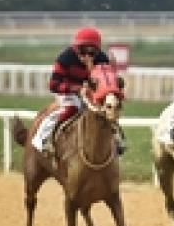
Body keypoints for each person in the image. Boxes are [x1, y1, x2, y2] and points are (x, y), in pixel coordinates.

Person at [31, 27, 126, 157]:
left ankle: (116, 140)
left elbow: (105, 83)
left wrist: (92, 69)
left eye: (92, 52)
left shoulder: (102, 59)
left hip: (90, 92)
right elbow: (53, 85)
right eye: (83, 51)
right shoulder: (65, 58)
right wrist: (74, 88)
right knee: (73, 107)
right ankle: (43, 138)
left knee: (107, 110)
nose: (87, 55)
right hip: (67, 92)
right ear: (76, 48)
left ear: (97, 51)